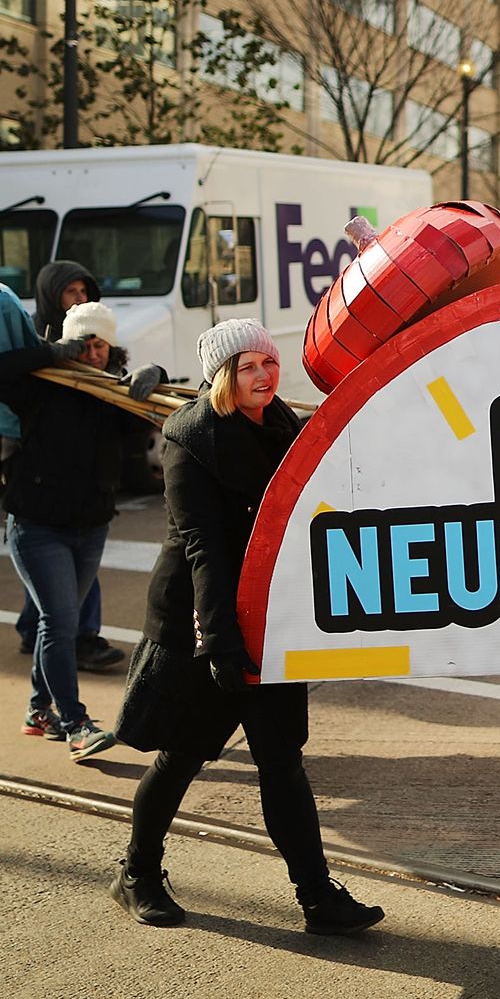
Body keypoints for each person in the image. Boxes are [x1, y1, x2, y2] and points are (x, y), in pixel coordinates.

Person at [109, 319, 384, 935]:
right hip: (201, 624)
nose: (263, 374)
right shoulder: (189, 438)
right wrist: (221, 641)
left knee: (282, 761)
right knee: (182, 757)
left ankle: (317, 898)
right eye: (247, 366)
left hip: (272, 617)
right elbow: (202, 545)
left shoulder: (286, 426)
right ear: (222, 376)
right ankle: (137, 874)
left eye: (268, 362)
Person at [0, 302, 163, 761]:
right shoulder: (40, 387)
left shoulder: (113, 392)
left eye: (99, 343)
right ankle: (75, 722)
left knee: (56, 623)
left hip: (91, 526)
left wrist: (151, 378)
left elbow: (136, 442)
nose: (92, 352)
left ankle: (38, 710)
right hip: (36, 526)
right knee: (61, 623)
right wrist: (52, 353)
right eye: (83, 343)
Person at [12, 260, 125, 673]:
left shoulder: (100, 352)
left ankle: (42, 630)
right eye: (71, 293)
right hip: (39, 486)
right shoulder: (34, 343)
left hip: (87, 499)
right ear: (50, 296)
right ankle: (76, 639)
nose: (80, 300)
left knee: (62, 581)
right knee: (59, 576)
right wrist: (49, 355)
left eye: (84, 292)